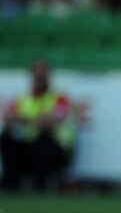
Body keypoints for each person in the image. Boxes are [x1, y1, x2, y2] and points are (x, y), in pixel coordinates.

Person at [0, 60, 76, 192]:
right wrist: (36, 120)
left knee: (42, 140)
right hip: (27, 146)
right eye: (37, 75)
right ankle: (9, 184)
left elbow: (50, 123)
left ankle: (39, 185)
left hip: (54, 150)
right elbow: (9, 119)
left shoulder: (59, 97)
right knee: (6, 138)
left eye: (43, 75)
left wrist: (23, 119)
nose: (40, 78)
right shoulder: (22, 96)